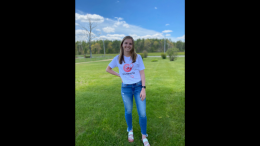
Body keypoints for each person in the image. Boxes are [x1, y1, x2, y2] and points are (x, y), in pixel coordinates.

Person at [106, 36, 150, 146]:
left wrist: (143, 89)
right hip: (126, 88)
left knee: (142, 113)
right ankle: (130, 130)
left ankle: (144, 135)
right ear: (122, 44)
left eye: (130, 43)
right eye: (126, 43)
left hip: (138, 87)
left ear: (133, 45)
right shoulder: (117, 58)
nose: (128, 45)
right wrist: (119, 74)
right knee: (128, 110)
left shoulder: (137, 57)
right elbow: (108, 69)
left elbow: (142, 73)